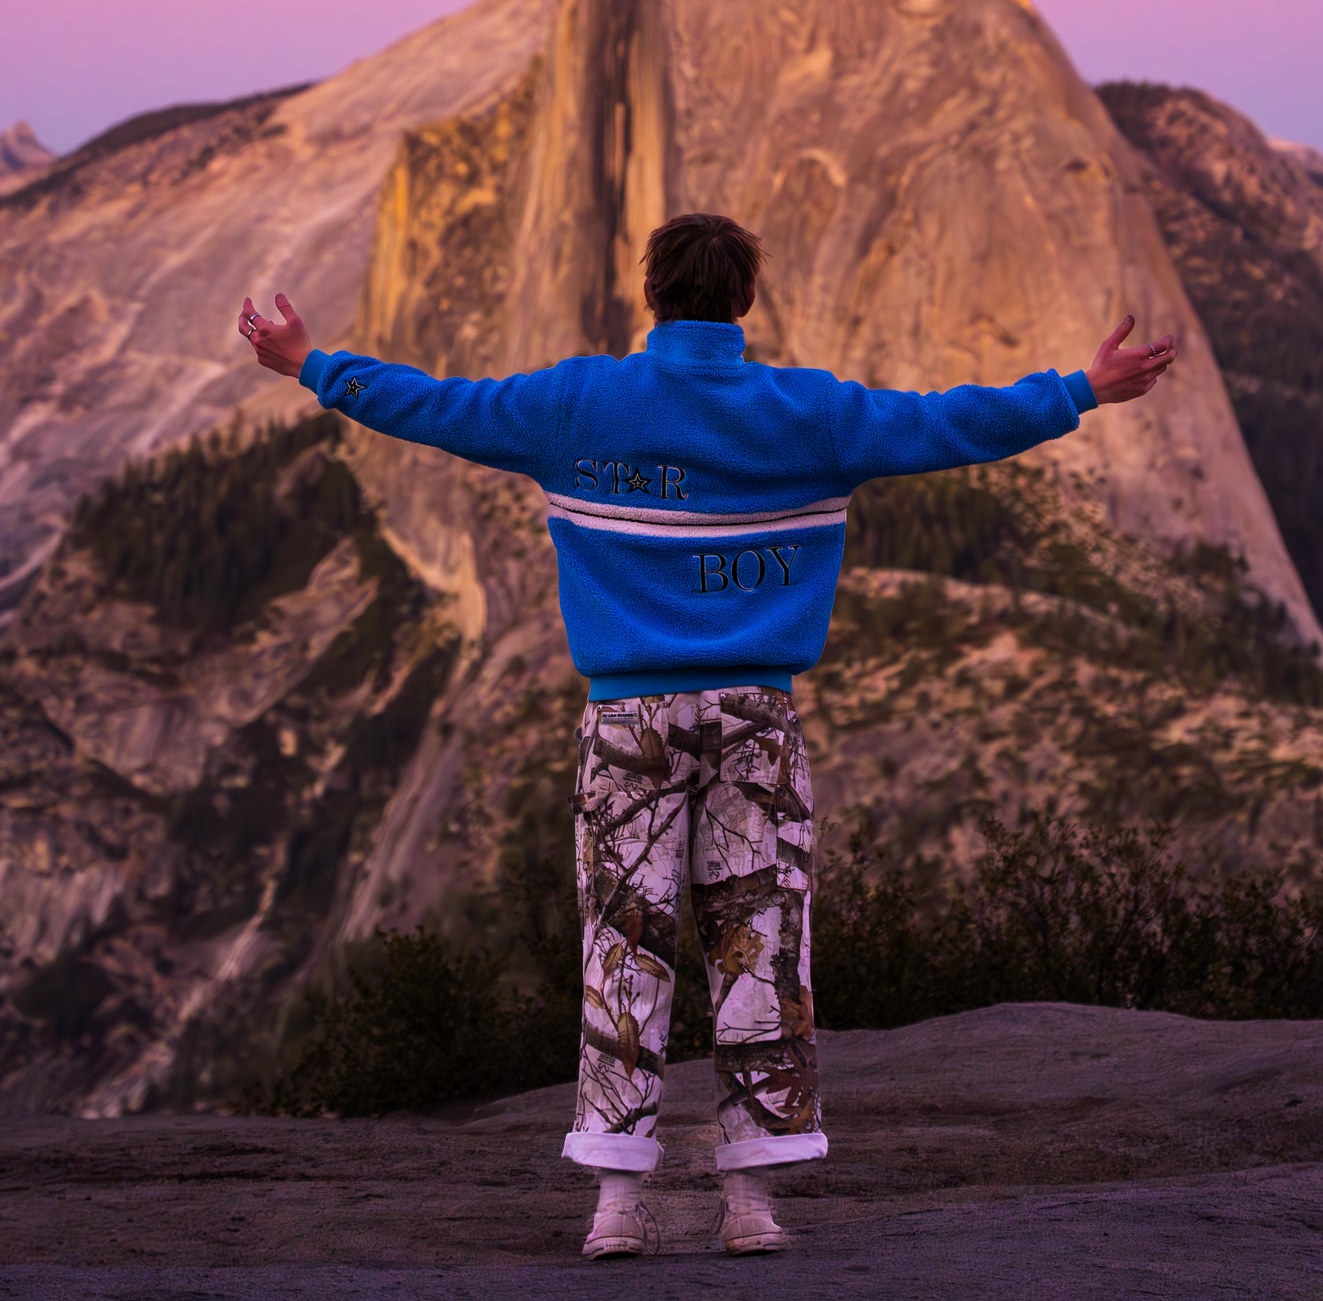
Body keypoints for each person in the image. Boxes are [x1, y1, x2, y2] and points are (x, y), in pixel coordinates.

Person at [239, 213, 1175, 1258]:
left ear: (651, 292)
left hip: (626, 715)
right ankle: (750, 1203)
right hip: (753, 718)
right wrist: (1078, 390)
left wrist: (311, 364)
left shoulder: (573, 402)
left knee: (620, 946)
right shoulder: (806, 412)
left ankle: (614, 1208)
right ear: (744, 297)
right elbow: (944, 422)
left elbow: (437, 404)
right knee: (759, 943)